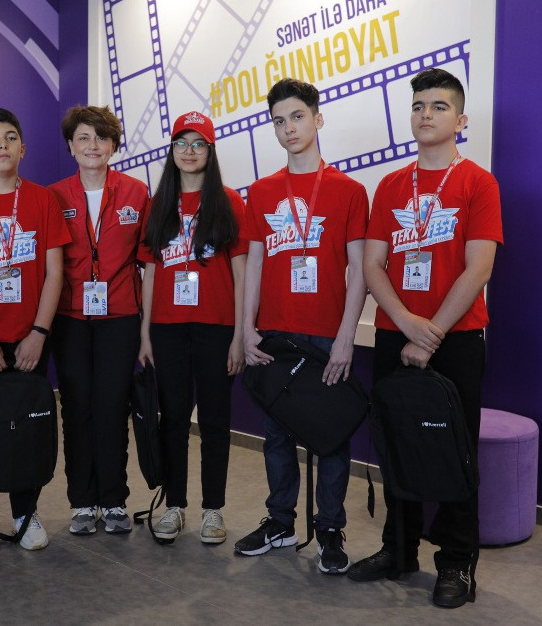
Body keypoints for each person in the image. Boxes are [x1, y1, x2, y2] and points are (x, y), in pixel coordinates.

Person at [348, 67, 502, 608]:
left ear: (460, 120)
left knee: (455, 449)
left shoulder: (478, 183)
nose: (425, 114)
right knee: (398, 443)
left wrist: (429, 333)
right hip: (396, 334)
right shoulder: (391, 185)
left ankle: (457, 562)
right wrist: (406, 323)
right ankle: (398, 549)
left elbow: (479, 268)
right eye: (418, 106)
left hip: (456, 338)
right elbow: (373, 265)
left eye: (438, 106)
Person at [235, 78, 368, 575]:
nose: (288, 128)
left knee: (331, 436)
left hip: (325, 336)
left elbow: (360, 272)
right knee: (276, 434)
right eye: (278, 121)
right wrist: (246, 328)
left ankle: (330, 529)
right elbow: (253, 264)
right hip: (275, 333)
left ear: (317, 118)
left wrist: (346, 338)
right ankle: (280, 522)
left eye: (296, 116)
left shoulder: (349, 191)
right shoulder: (262, 191)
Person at [0, 108, 70, 552]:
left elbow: (55, 272)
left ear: (23, 148)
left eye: (10, 137)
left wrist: (39, 333)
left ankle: (25, 510)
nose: (2, 145)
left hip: (30, 338)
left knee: (27, 425)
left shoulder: (43, 200)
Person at [137, 111, 246, 544]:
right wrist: (145, 333)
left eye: (198, 143)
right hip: (167, 327)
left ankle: (213, 509)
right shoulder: (158, 203)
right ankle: (175, 505)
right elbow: (149, 273)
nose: (189, 151)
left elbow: (241, 273)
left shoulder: (229, 201)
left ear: (210, 151)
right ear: (171, 150)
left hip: (217, 327)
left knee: (215, 420)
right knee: (173, 420)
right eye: (181, 142)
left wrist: (239, 335)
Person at [48, 105, 148, 535]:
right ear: (71, 146)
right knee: (77, 408)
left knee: (112, 407)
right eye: (84, 138)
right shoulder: (53, 196)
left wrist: (147, 327)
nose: (93, 145)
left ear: (113, 146)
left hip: (120, 316)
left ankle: (113, 500)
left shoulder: (136, 193)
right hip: (70, 318)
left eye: (101, 138)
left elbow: (148, 262)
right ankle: (82, 502)